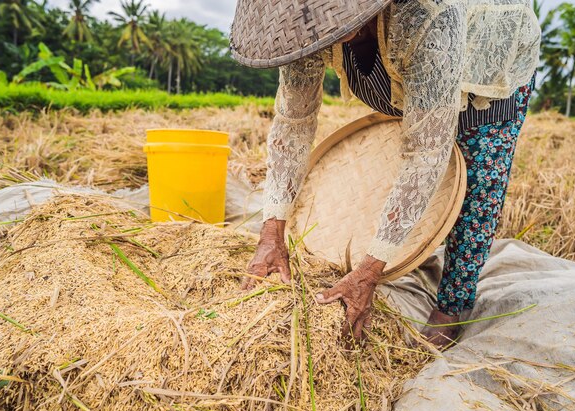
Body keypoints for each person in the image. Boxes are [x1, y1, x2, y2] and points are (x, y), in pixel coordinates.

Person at [230, 0, 540, 348]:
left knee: (478, 186)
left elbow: (426, 152)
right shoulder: (303, 25)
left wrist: (368, 272)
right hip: (417, 65)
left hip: (487, 62)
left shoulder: (428, 13)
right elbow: (293, 124)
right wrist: (272, 231)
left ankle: (453, 306)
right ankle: (398, 243)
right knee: (402, 154)